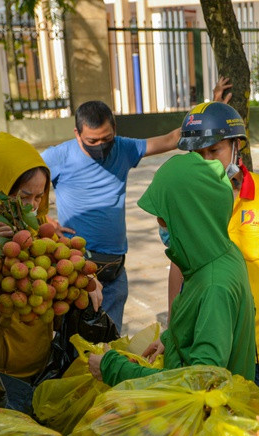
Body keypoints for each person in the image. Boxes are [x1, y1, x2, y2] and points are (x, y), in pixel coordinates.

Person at [42, 83, 232, 330]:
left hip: (114, 270)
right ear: (77, 133)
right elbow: (23, 187)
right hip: (77, 267)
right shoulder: (58, 156)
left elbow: (173, 138)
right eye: (92, 140)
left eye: (106, 138)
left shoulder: (123, 148)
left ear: (115, 131)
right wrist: (45, 222)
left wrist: (212, 111)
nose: (100, 145)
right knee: (76, 344)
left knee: (109, 344)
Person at [88, 152, 256, 386]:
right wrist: (172, 339)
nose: (159, 224)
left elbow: (201, 384)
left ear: (187, 217)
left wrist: (114, 369)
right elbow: (199, 325)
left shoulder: (215, 285)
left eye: (163, 217)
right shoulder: (217, 255)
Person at [167, 102, 259, 394]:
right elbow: (179, 266)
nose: (207, 161)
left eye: (214, 151)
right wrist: (172, 329)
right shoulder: (188, 200)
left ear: (236, 146)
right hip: (208, 342)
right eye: (197, 155)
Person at [0, 132, 101, 379]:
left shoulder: (25, 220)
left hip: (40, 364)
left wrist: (84, 277)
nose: (33, 205)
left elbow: (56, 257)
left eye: (39, 196)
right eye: (25, 196)